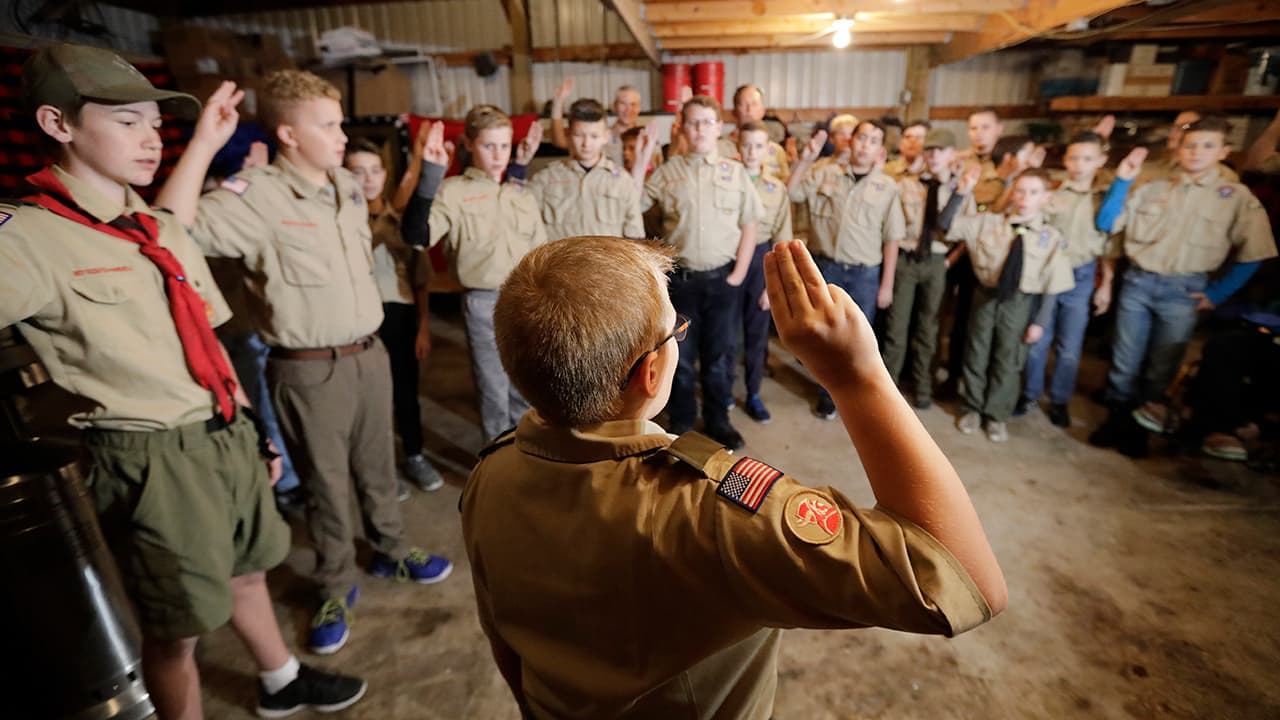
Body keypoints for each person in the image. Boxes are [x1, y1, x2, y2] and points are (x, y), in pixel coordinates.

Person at [461, 235, 1006, 719]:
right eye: (675, 330)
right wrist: (856, 377)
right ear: (651, 372)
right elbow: (961, 583)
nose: (679, 337)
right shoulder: (711, 512)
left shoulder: (489, 476)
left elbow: (505, 642)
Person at [1, 43, 366, 718]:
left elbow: (210, 340)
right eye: (127, 122)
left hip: (223, 431)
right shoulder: (26, 237)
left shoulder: (156, 227)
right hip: (150, 456)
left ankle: (280, 679)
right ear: (58, 124)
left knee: (249, 569)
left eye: (154, 124)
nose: (151, 139)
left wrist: (250, 426)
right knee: (178, 631)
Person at [158, 69, 453, 655]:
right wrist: (204, 146)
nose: (341, 136)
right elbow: (168, 229)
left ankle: (391, 550)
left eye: (340, 123)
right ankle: (335, 583)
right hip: (308, 368)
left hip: (369, 355)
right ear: (288, 134)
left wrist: (426, 172)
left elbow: (396, 228)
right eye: (328, 126)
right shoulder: (257, 196)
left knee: (378, 467)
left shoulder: (345, 185)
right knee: (325, 483)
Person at [1089, 116, 1276, 457]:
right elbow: (1106, 223)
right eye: (1190, 145)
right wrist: (1122, 181)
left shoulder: (1233, 196)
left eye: (1208, 146)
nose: (1197, 152)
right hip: (1138, 284)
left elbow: (1255, 253)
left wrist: (1217, 294)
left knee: (1162, 364)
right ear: (1178, 148)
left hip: (1183, 291)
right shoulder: (1152, 188)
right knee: (1124, 359)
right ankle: (1116, 420)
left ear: (1223, 151)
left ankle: (1141, 427)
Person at [402, 106, 548, 443]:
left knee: (528, 387)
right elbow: (416, 236)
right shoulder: (452, 192)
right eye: (488, 146)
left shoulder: (519, 192)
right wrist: (429, 176)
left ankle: (531, 456)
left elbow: (541, 251)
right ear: (469, 144)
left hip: (528, 300)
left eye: (504, 146)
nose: (498, 155)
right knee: (494, 390)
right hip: (484, 303)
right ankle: (500, 461)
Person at [634, 95, 760, 449]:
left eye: (708, 122)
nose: (701, 129)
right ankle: (683, 419)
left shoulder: (734, 172)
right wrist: (642, 159)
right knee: (681, 358)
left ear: (719, 127)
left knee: (720, 356)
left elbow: (750, 223)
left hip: (723, 281)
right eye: (693, 122)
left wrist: (739, 273)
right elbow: (633, 203)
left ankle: (719, 420)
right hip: (681, 283)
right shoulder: (667, 173)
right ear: (682, 129)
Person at [1016, 134, 1145, 428]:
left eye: (1087, 159)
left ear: (1101, 161)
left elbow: (1109, 244)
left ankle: (1059, 401)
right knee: (1037, 340)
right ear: (1065, 160)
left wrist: (1106, 284)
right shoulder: (1053, 195)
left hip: (1081, 276)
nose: (1078, 165)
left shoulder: (1105, 199)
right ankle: (1029, 394)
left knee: (1070, 347)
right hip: (1046, 276)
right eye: (1073, 157)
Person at [940, 168, 1074, 442]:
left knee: (1009, 359)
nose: (1025, 198)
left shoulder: (1050, 237)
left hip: (1019, 302)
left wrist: (1040, 323)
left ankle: (996, 414)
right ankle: (972, 407)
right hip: (985, 296)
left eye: (1033, 192)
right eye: (1020, 190)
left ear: (1046, 198)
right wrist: (961, 193)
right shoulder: (987, 223)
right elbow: (945, 224)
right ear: (1012, 193)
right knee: (976, 354)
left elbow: (1052, 285)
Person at [344, 138, 445, 494]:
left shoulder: (403, 224)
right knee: (368, 399)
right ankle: (379, 468)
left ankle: (414, 455)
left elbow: (420, 281)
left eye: (375, 171)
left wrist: (423, 328)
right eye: (358, 172)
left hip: (399, 316)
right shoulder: (342, 224)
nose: (368, 179)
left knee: (405, 392)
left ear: (385, 175)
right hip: (357, 321)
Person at [789, 119, 905, 419]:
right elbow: (792, 192)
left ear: (880, 150)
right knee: (823, 335)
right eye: (862, 138)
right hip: (826, 268)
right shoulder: (825, 173)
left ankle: (855, 394)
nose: (866, 145)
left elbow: (892, 238)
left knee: (859, 340)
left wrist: (887, 285)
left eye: (873, 141)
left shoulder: (887, 187)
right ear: (850, 141)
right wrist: (805, 160)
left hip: (864, 274)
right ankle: (828, 395)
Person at [881, 128, 970, 409]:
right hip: (906, 259)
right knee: (896, 327)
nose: (934, 156)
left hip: (937, 262)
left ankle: (923, 386)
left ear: (952, 154)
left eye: (940, 150)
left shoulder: (961, 189)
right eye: (929, 150)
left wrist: (948, 261)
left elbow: (968, 232)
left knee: (929, 328)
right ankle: (889, 388)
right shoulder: (906, 184)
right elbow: (892, 225)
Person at [735, 120, 794, 423]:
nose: (751, 151)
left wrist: (773, 284)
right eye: (746, 145)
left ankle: (753, 393)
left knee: (757, 334)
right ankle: (723, 392)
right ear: (737, 145)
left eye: (758, 146)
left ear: (768, 149)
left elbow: (782, 240)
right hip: (729, 256)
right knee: (726, 335)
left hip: (760, 259)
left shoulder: (776, 188)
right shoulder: (726, 180)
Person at [526, 98, 644, 241]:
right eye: (579, 135)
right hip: (562, 256)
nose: (586, 144)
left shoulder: (622, 181)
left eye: (594, 136)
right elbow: (523, 223)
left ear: (606, 136)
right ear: (568, 134)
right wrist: (521, 163)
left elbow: (635, 237)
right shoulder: (546, 179)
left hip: (606, 256)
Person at [549, 79, 642, 168]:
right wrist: (558, 104)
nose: (628, 109)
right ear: (614, 106)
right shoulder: (599, 135)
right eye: (623, 103)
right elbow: (559, 141)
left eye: (633, 104)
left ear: (639, 108)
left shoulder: (645, 138)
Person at [716, 84, 790, 181]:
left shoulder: (776, 151)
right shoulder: (718, 148)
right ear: (734, 112)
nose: (749, 110)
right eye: (743, 104)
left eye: (754, 104)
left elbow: (785, 187)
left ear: (762, 111)